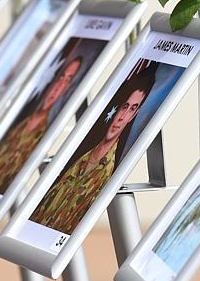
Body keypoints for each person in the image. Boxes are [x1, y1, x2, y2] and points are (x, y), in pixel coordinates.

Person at [30, 62, 157, 235]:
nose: (121, 117)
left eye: (132, 109)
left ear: (135, 115)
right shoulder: (81, 157)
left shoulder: (108, 171)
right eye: (124, 107)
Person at [0, 56, 83, 194]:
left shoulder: (45, 132)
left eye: (68, 80)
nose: (60, 85)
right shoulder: (19, 119)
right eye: (61, 77)